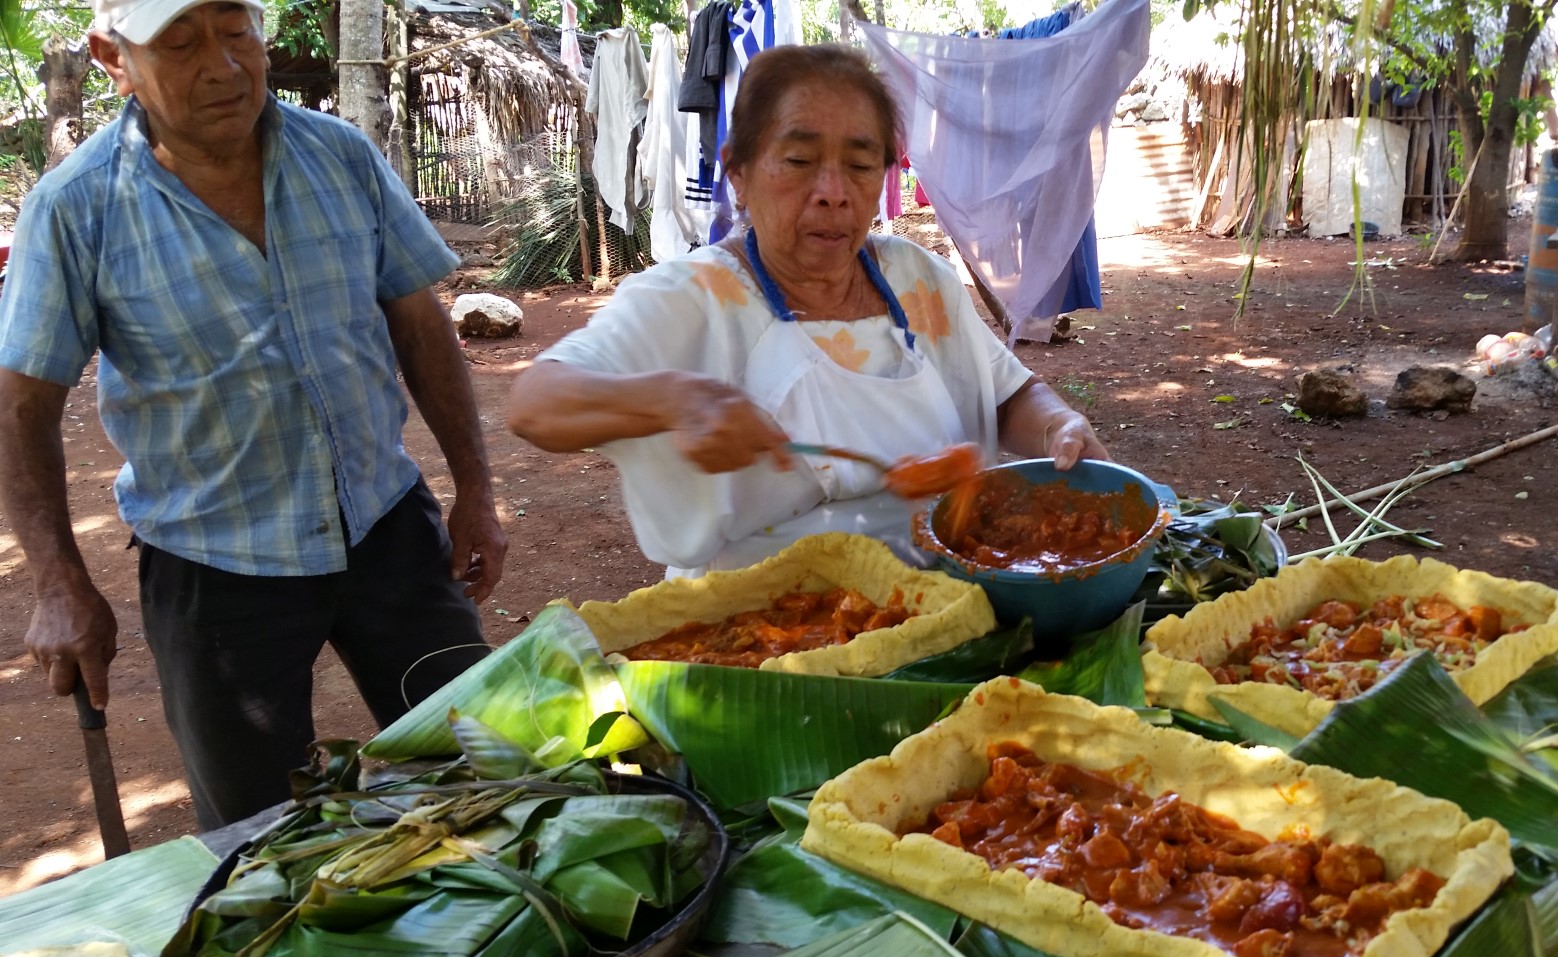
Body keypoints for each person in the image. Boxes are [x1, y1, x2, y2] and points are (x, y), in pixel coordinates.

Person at [0, 0, 508, 828]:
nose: (225, 66)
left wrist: (476, 491)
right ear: (111, 58)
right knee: (259, 837)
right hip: (215, 564)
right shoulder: (76, 207)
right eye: (182, 43)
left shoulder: (339, 155)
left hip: (385, 526)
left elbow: (419, 326)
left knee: (490, 777)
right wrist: (59, 582)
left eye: (238, 32)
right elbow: (21, 408)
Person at [508, 44, 1108, 575]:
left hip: (944, 603)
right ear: (737, 173)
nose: (833, 190)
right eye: (798, 162)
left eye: (859, 163)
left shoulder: (918, 279)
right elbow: (537, 403)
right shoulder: (692, 298)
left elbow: (1007, 394)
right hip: (759, 632)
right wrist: (673, 401)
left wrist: (1059, 424)